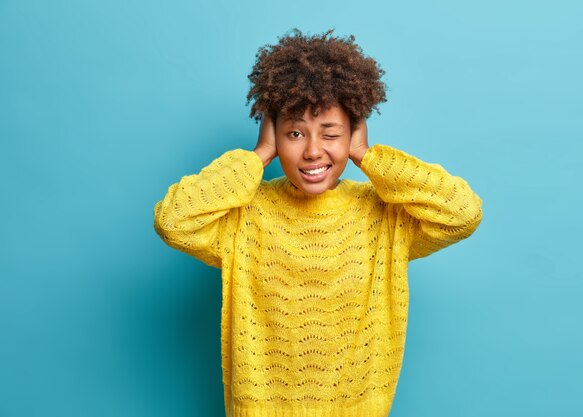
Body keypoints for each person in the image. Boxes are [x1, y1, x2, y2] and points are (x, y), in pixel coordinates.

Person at [153, 28, 483, 417]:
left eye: (331, 134)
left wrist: (367, 156)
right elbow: (174, 221)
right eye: (294, 133)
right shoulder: (243, 215)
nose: (312, 151)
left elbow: (461, 212)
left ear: (353, 134)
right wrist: (257, 156)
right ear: (273, 132)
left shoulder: (383, 216)